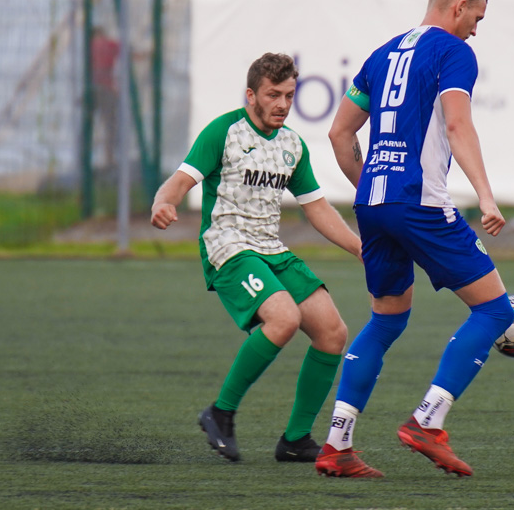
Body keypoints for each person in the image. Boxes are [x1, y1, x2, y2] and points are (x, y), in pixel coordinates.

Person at [315, 0, 514, 478]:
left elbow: (339, 134)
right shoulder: (453, 52)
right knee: (495, 313)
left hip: (373, 203)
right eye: (477, 17)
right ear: (457, 8)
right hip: (419, 203)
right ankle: (428, 421)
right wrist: (486, 197)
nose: (476, 29)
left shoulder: (381, 56)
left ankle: (337, 445)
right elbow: (456, 121)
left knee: (386, 319)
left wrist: (375, 190)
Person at [151, 52, 362, 463]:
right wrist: (164, 202)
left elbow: (316, 207)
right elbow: (179, 181)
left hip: (271, 249)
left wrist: (359, 248)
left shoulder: (292, 145)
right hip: (228, 247)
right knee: (284, 318)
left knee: (333, 333)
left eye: (289, 95)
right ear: (251, 95)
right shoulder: (225, 131)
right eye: (273, 94)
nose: (282, 103)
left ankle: (296, 440)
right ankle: (220, 412)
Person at [91, 26, 120, 166]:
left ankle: (85, 160)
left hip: (91, 89)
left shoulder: (89, 46)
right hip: (106, 89)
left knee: (89, 125)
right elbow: (131, 54)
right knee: (110, 126)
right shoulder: (109, 44)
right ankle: (109, 159)